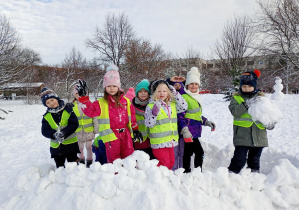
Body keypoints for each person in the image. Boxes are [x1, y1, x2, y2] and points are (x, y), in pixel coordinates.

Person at [75, 64, 143, 163]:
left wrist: (135, 129)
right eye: (109, 86)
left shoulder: (126, 102)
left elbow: (132, 117)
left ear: (118, 86)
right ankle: (115, 176)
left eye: (114, 86)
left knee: (129, 157)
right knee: (114, 159)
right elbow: (90, 111)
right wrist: (84, 99)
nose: (112, 88)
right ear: (105, 87)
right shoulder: (101, 102)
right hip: (111, 135)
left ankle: (128, 176)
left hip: (126, 134)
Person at [228, 69, 273, 174]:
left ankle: (254, 178)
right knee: (239, 159)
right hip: (242, 135)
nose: (247, 89)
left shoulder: (262, 99)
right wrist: (246, 104)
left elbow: (269, 113)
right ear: (241, 87)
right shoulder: (237, 98)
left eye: (249, 86)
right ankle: (230, 175)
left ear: (254, 86)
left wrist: (270, 123)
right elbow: (235, 111)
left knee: (254, 160)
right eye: (244, 86)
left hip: (259, 135)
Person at [178, 67, 216, 173]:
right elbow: (180, 116)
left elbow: (196, 115)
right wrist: (185, 130)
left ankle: (187, 170)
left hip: (195, 130)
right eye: (191, 84)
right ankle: (196, 171)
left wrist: (206, 122)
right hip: (188, 131)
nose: (194, 86)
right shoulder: (185, 97)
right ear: (187, 85)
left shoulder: (195, 96)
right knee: (199, 152)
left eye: (196, 84)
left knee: (188, 152)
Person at [145, 80, 187, 170]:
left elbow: (184, 107)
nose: (162, 93)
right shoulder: (151, 106)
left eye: (164, 91)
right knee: (165, 163)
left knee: (171, 162)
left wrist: (176, 94)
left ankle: (165, 180)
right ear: (154, 92)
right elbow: (148, 123)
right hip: (159, 141)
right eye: (159, 91)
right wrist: (154, 114)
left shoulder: (172, 104)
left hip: (170, 140)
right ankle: (156, 179)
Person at [41, 87, 80, 168]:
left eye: (52, 100)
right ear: (45, 105)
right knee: (60, 167)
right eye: (48, 102)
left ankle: (75, 180)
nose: (51, 103)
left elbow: (74, 124)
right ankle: (60, 180)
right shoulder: (46, 116)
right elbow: (44, 130)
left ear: (57, 99)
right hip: (56, 148)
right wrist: (53, 135)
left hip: (70, 145)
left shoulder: (68, 110)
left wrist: (64, 133)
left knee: (73, 166)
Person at [72, 88, 99, 168]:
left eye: (81, 94)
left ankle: (89, 160)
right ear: (74, 95)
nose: (79, 96)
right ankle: (81, 159)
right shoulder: (72, 106)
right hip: (78, 132)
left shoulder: (90, 104)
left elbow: (95, 117)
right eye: (77, 94)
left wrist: (96, 128)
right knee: (80, 147)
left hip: (89, 131)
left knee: (89, 147)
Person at [167, 77, 186, 171]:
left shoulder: (184, 96)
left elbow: (184, 107)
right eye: (175, 84)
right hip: (173, 130)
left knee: (181, 151)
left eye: (179, 85)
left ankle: (181, 169)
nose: (177, 86)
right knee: (174, 152)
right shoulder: (169, 99)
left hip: (182, 128)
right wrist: (169, 81)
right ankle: (174, 169)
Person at [132, 79, 154, 159]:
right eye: (140, 91)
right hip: (139, 139)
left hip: (152, 138)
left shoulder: (153, 105)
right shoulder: (132, 106)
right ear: (137, 93)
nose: (143, 93)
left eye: (145, 91)